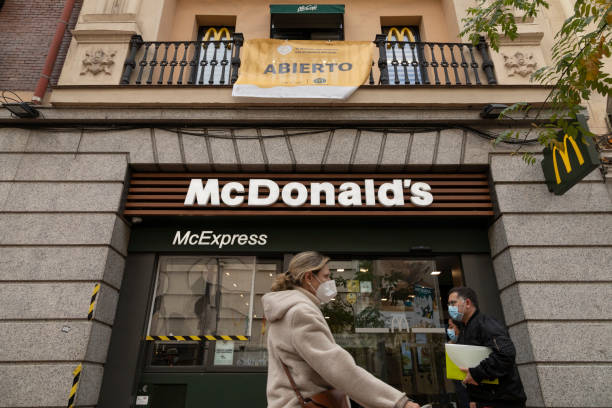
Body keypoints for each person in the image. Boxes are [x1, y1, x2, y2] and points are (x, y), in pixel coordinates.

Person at [262, 251, 420, 408]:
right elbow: (338, 368)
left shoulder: (283, 311)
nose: (330, 281)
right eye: (326, 276)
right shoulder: (300, 313)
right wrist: (399, 402)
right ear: (309, 277)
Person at [447, 287, 527, 408]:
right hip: (485, 401)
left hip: (503, 401)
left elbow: (505, 354)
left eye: (453, 303)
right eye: (448, 304)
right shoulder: (465, 330)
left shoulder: (485, 323)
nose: (450, 308)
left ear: (467, 303)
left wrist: (476, 373)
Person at [447, 319, 470, 408]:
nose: (448, 329)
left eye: (451, 327)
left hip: (470, 394)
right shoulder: (452, 346)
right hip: (461, 394)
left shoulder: (468, 345)